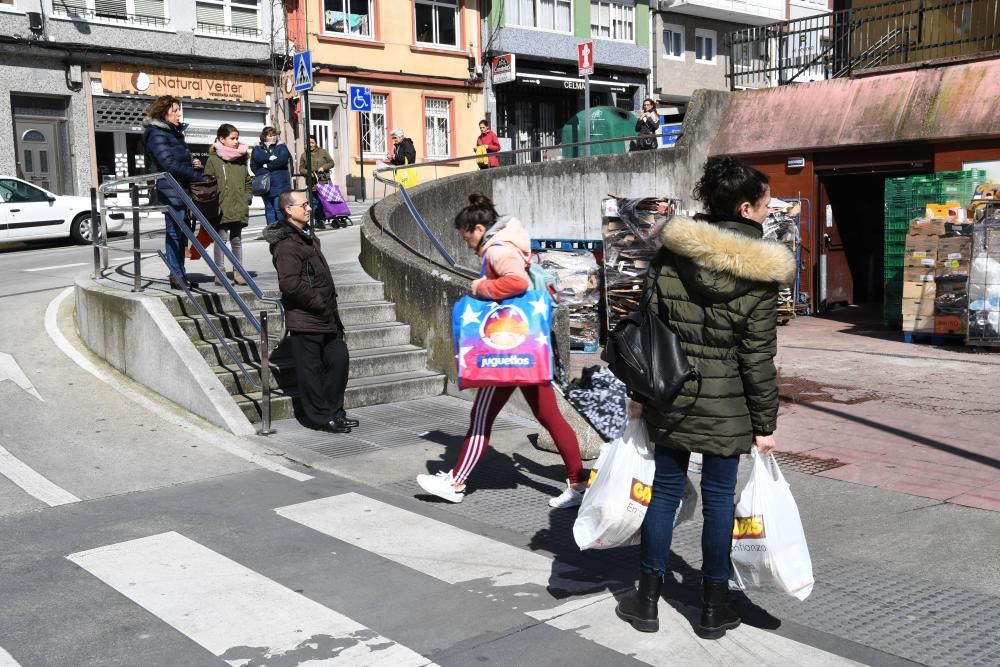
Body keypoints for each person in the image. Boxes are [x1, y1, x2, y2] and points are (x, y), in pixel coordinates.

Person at [615, 156, 795, 638]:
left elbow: (646, 330)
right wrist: (765, 424)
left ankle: (647, 599)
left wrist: (638, 393)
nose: (768, 208)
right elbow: (757, 356)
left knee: (665, 493)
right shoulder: (761, 272)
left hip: (669, 393)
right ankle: (714, 608)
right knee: (719, 501)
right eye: (764, 202)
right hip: (728, 403)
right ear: (743, 207)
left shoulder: (673, 252)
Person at [416, 193, 586, 508]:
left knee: (481, 417)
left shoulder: (497, 249)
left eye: (465, 234)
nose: (465, 241)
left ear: (478, 228)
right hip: (527, 346)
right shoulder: (511, 243)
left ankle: (455, 482)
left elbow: (517, 283)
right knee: (549, 415)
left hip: (505, 347)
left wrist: (481, 288)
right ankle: (577, 485)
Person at [263, 190, 359, 434]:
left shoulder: (307, 236)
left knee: (339, 360)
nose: (309, 208)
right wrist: (318, 302)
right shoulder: (286, 245)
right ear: (289, 209)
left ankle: (334, 411)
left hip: (326, 317)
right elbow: (289, 284)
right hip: (307, 317)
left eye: (308, 204)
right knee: (311, 371)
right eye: (304, 205)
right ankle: (320, 416)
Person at [143, 95, 203, 290]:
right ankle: (176, 276)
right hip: (171, 188)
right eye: (174, 110)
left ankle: (180, 275)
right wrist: (194, 175)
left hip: (180, 187)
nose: (179, 114)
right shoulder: (156, 133)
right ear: (163, 112)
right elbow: (167, 163)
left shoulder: (173, 132)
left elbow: (176, 159)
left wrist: (191, 163)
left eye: (179, 110)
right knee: (175, 233)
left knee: (182, 233)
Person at [203, 124, 252, 286]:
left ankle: (239, 272)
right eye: (232, 138)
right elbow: (207, 184)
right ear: (221, 139)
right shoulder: (213, 160)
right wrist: (213, 203)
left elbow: (247, 181)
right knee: (221, 239)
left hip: (238, 205)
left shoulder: (241, 159)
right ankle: (220, 273)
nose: (236, 141)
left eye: (237, 138)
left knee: (237, 240)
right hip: (221, 206)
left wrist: (247, 198)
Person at [251, 127, 292, 228]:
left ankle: (283, 230)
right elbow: (254, 163)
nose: (273, 137)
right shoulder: (257, 148)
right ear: (264, 137)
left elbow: (282, 160)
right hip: (265, 184)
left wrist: (267, 166)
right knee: (269, 209)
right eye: (270, 135)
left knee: (279, 208)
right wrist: (267, 161)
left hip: (280, 183)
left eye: (274, 135)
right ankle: (272, 231)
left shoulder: (281, 147)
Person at [299, 136, 335, 229]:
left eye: (312, 143)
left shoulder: (323, 152)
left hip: (323, 179)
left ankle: (321, 220)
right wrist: (308, 173)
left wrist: (324, 167)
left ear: (316, 143)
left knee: (322, 201)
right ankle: (314, 220)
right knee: (313, 201)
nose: (311, 145)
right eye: (309, 143)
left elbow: (331, 163)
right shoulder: (304, 155)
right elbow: (301, 169)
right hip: (312, 181)